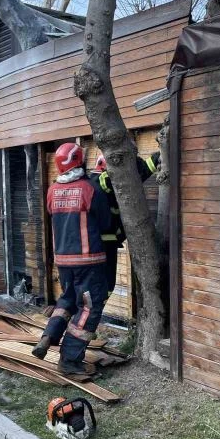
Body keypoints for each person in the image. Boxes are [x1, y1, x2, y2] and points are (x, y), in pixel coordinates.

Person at [32, 143, 112, 375]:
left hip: (63, 261)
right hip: (88, 262)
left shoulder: (52, 191)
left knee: (67, 299)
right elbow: (106, 223)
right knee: (89, 308)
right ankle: (69, 359)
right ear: (79, 160)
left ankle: (48, 336)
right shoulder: (90, 189)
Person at [89, 151, 160, 294]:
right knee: (105, 283)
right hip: (101, 243)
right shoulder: (99, 180)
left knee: (107, 284)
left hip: (107, 242)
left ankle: (98, 303)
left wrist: (157, 158)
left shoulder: (103, 183)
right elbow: (118, 178)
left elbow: (139, 174)